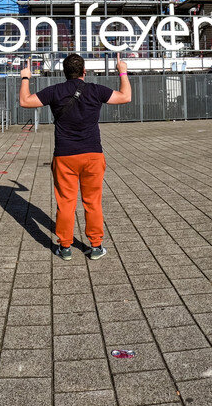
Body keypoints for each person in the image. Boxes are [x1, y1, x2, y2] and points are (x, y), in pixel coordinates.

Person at [18, 52, 131, 261]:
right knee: (93, 202)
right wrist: (122, 71)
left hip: (65, 156)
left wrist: (25, 76)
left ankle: (65, 247)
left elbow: (25, 101)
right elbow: (125, 97)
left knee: (66, 203)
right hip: (93, 155)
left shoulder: (55, 91)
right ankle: (96, 246)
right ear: (84, 71)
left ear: (64, 72)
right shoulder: (95, 90)